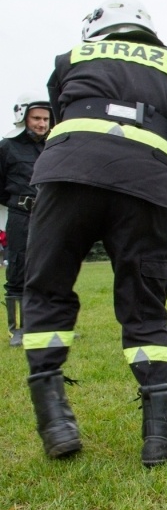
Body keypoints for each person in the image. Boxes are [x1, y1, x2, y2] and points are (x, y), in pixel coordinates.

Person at [22, 0, 167, 466]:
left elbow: (61, 113)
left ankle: (54, 420)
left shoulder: (70, 58)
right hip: (144, 185)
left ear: (97, 30)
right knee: (145, 307)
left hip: (67, 176)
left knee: (47, 290)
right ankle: (159, 436)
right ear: (146, 31)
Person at [0, 94, 53, 347]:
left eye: (45, 119)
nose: (42, 124)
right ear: (23, 118)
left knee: (51, 270)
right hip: (21, 216)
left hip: (50, 216)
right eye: (36, 118)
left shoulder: (54, 145)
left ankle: (49, 326)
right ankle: (19, 330)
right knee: (18, 270)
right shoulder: (6, 147)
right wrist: (17, 202)